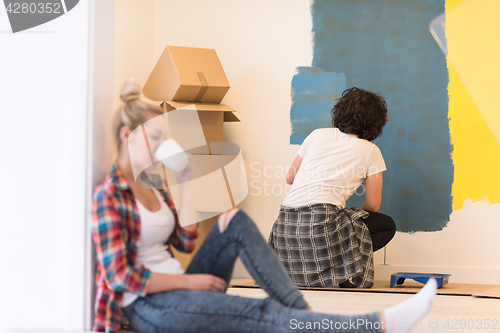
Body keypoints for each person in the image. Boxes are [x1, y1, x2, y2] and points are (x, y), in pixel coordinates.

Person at [91, 81, 435, 333]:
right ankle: (378, 326)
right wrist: (192, 283)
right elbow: (120, 278)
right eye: (155, 137)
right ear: (126, 135)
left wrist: (185, 183)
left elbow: (185, 244)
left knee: (234, 221)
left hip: (197, 275)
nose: (162, 145)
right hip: (149, 306)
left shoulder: (154, 185)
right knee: (261, 313)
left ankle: (305, 317)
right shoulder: (110, 196)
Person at [269, 87, 396, 289]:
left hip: (284, 229)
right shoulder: (371, 151)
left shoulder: (316, 135)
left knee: (345, 223)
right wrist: (350, 219)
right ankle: (346, 275)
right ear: (375, 122)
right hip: (321, 225)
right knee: (386, 224)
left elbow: (290, 177)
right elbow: (373, 205)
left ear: (340, 111)